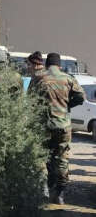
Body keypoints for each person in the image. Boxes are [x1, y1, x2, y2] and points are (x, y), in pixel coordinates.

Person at [36, 53, 84, 204]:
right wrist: (68, 105)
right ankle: (60, 194)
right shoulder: (68, 78)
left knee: (43, 157)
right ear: (59, 65)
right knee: (62, 158)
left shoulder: (39, 78)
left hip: (44, 126)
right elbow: (81, 97)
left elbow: (30, 100)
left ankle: (45, 189)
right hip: (63, 126)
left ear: (46, 64)